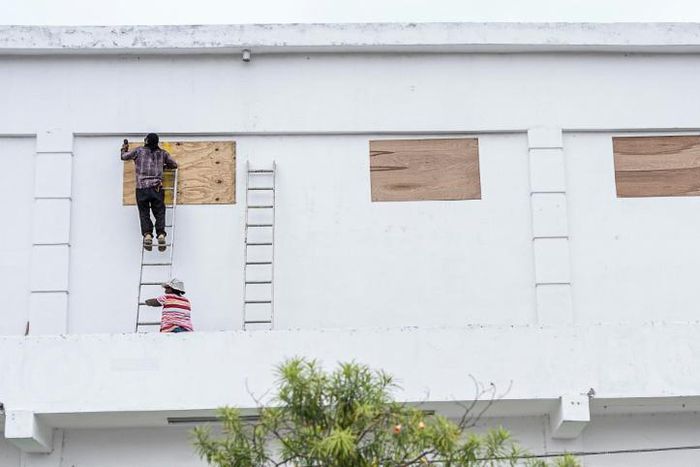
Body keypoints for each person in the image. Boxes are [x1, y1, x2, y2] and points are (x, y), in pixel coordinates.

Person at [121, 133, 178, 251]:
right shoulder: (162, 153)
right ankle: (161, 234)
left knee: (144, 212)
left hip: (141, 188)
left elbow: (124, 157)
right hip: (156, 188)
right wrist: (163, 167)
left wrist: (124, 148)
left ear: (146, 141)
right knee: (160, 212)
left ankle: (147, 235)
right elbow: (174, 165)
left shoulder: (138, 151)